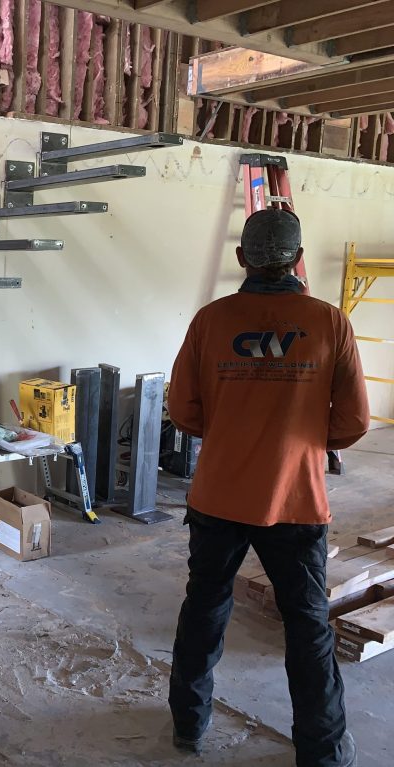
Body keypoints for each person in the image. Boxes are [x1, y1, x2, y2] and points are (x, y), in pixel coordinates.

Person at [166, 208, 370, 767]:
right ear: (298, 259)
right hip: (297, 502)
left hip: (217, 499)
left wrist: (234, 427)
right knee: (307, 627)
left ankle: (188, 725)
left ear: (241, 259)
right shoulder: (330, 322)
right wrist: (300, 436)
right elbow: (353, 424)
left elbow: (182, 409)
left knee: (204, 608)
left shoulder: (211, 320)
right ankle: (323, 751)